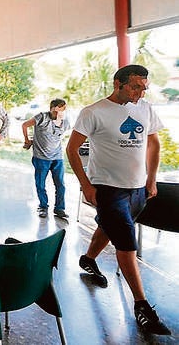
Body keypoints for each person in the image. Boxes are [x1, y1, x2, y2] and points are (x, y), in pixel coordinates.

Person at [66, 64, 170, 335]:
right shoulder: (94, 112)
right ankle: (142, 306)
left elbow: (154, 143)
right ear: (118, 83)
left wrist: (151, 178)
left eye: (144, 87)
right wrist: (86, 185)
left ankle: (88, 259)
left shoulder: (145, 109)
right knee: (126, 244)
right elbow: (72, 149)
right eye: (135, 86)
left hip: (137, 189)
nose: (140, 93)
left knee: (110, 228)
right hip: (108, 188)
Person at [22, 98, 70, 218]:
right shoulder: (42, 117)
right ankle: (43, 206)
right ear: (53, 109)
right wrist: (27, 141)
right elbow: (24, 125)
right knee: (40, 184)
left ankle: (59, 209)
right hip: (41, 157)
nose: (62, 112)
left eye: (64, 109)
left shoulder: (65, 121)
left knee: (60, 184)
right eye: (60, 109)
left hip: (57, 157)